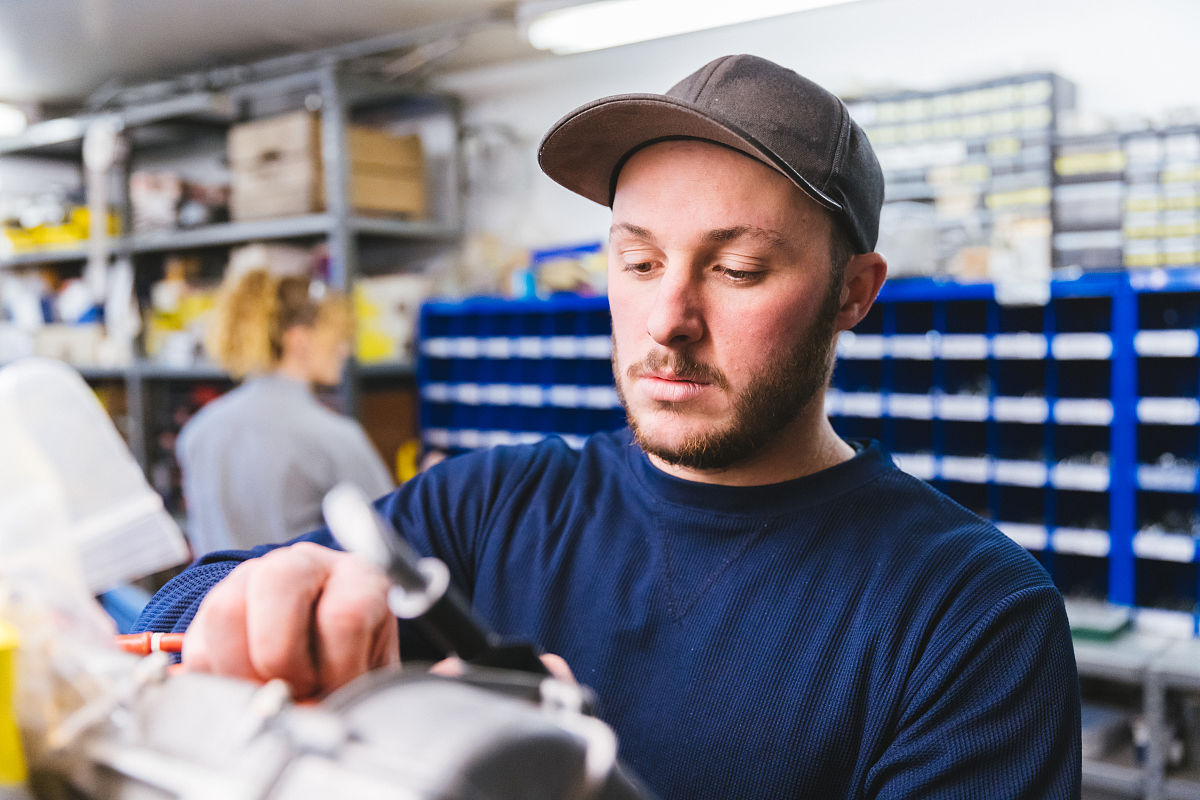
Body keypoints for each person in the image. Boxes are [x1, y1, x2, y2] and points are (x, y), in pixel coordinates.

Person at [137, 55, 1081, 798]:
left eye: (739, 270)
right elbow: (182, 610)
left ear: (852, 294)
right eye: (637, 263)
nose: (668, 317)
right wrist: (259, 601)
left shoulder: (970, 615)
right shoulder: (493, 502)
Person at [175, 266, 393, 555]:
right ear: (300, 340)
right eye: (337, 336)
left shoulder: (197, 432)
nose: (345, 350)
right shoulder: (333, 438)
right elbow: (393, 541)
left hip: (217, 598)